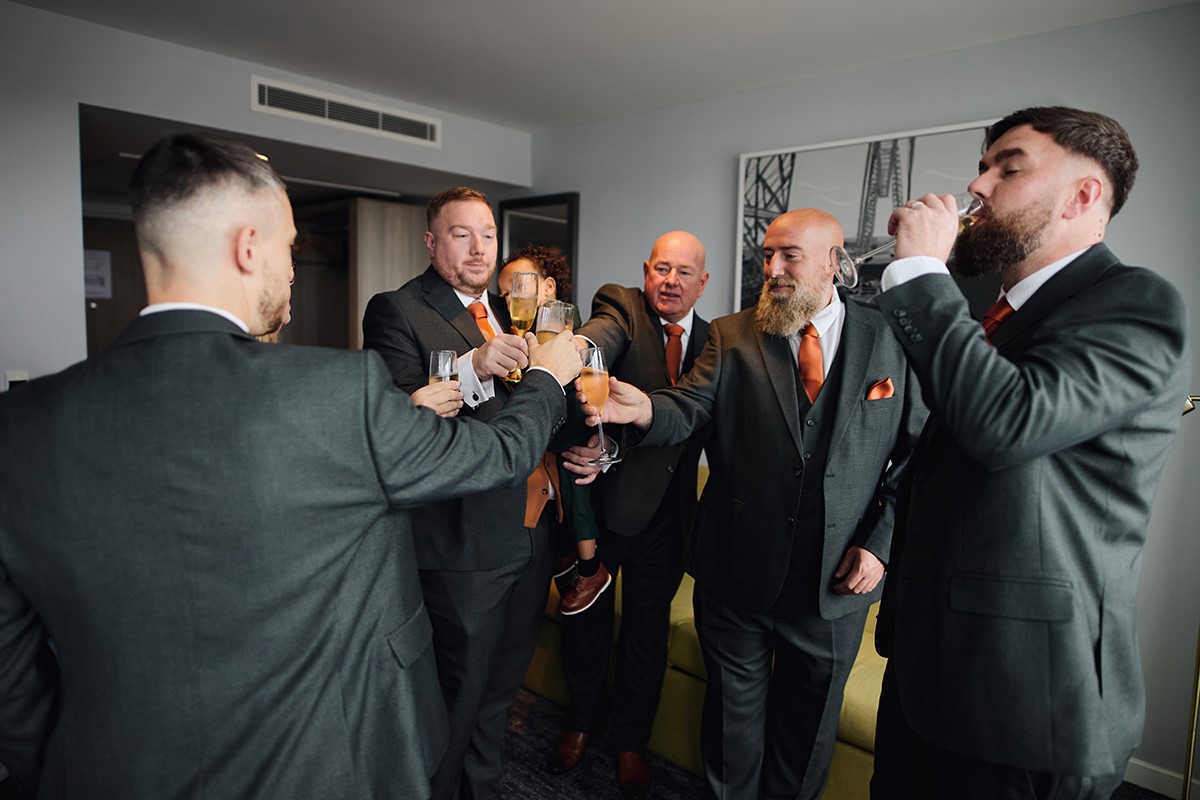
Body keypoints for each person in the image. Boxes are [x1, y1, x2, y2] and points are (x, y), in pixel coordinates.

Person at [0, 134, 582, 800]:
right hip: (323, 767)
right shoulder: (338, 393)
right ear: (248, 248)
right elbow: (498, 453)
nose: (294, 270)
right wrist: (546, 377)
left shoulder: (20, 425)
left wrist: (64, 764)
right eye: (289, 247)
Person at [868, 106, 1191, 799]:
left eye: (1007, 168)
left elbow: (1004, 423)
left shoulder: (1135, 302)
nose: (977, 185)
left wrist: (921, 272)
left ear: (1083, 196)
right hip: (927, 678)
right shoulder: (993, 314)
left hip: (1025, 704)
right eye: (982, 166)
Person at [583, 210, 927, 800]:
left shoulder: (891, 339)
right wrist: (644, 410)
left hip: (835, 586)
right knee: (729, 735)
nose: (772, 269)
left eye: (789, 255)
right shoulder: (732, 334)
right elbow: (688, 406)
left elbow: (916, 454)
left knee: (806, 742)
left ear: (834, 264)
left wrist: (881, 544)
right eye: (768, 255)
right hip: (735, 575)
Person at [361, 189, 571, 800]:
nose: (479, 249)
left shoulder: (514, 310)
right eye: (462, 235)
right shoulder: (397, 310)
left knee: (499, 703)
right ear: (432, 242)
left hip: (529, 535)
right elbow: (396, 420)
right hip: (460, 546)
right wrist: (473, 365)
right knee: (452, 711)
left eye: (488, 235)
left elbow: (538, 405)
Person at [543, 231, 711, 798]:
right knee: (584, 625)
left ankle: (631, 742)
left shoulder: (715, 342)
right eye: (662, 268)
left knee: (646, 636)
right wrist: (576, 349)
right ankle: (579, 723)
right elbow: (599, 338)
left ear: (702, 283)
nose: (671, 281)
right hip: (602, 509)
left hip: (669, 521)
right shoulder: (621, 306)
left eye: (684, 272)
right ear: (645, 270)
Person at [497, 245, 606, 611]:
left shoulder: (559, 318)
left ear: (547, 286)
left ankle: (591, 567)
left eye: (520, 286)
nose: (511, 298)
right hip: (555, 413)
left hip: (572, 407)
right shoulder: (519, 329)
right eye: (506, 293)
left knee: (572, 470)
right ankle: (571, 555)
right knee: (559, 471)